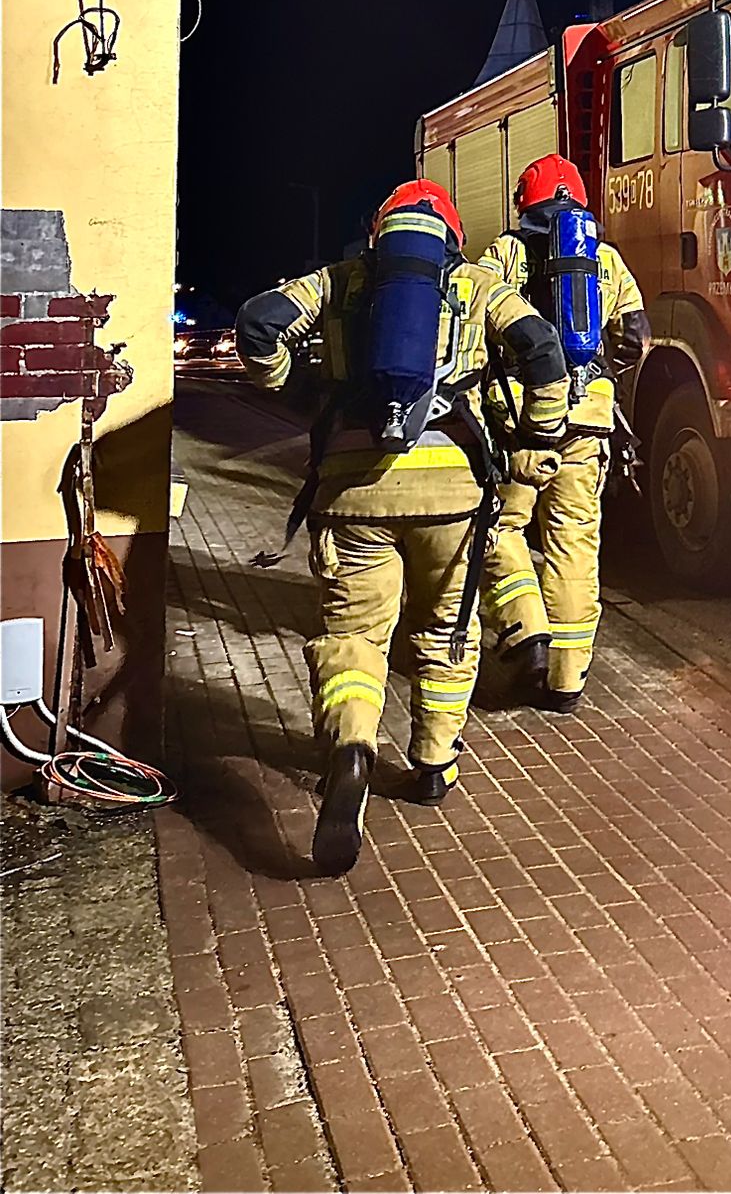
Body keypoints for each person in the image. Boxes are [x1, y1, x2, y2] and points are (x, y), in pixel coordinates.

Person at [235, 180, 568, 874]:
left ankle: (352, 749)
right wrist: (541, 435)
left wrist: (288, 385)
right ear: (451, 237)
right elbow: (541, 348)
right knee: (445, 628)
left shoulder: (339, 280)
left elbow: (259, 322)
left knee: (354, 636)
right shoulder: (479, 286)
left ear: (379, 235)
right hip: (453, 494)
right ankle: (433, 763)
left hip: (353, 492)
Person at [478, 154, 649, 712]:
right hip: (589, 420)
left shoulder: (506, 253)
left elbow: (477, 321)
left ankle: (525, 632)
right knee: (573, 544)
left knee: (498, 526)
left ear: (524, 203)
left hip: (524, 421)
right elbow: (635, 336)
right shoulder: (606, 258)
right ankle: (566, 680)